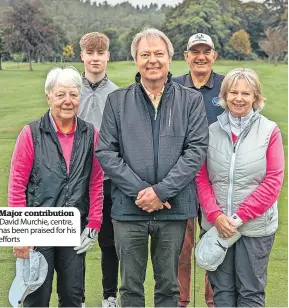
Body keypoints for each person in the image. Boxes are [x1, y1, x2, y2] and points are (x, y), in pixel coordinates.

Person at [96, 28, 209, 307]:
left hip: (174, 210)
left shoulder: (191, 100)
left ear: (170, 59)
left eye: (159, 54)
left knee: (169, 288)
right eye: (145, 54)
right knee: (130, 288)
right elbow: (106, 152)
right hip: (128, 210)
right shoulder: (117, 101)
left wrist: (162, 192)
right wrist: (143, 192)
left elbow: (195, 152)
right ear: (136, 59)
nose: (152, 60)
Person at [8, 67, 104, 307]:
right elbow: (17, 185)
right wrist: (19, 235)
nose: (67, 101)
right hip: (38, 228)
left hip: (74, 228)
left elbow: (95, 182)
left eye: (73, 95)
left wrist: (94, 222)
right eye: (61, 95)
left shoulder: (90, 133)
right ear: (48, 96)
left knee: (72, 296)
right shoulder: (31, 133)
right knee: (36, 296)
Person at [196, 68, 284, 307]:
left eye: (246, 93)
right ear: (224, 95)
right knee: (222, 292)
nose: (239, 98)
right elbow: (201, 178)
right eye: (233, 92)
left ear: (256, 97)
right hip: (217, 226)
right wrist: (216, 216)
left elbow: (273, 180)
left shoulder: (269, 131)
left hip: (254, 228)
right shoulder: (211, 131)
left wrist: (237, 218)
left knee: (250, 293)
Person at [173, 32, 224, 307]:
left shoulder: (226, 87)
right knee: (182, 246)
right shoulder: (175, 86)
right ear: (186, 56)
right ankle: (181, 301)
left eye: (206, 51)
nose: (201, 56)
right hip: (182, 178)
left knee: (213, 242)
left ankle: (212, 300)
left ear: (214, 55)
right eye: (196, 51)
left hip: (215, 177)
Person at [77, 32, 119, 308]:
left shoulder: (116, 93)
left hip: (105, 179)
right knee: (73, 242)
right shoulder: (70, 88)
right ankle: (74, 296)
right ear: (82, 56)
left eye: (99, 53)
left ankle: (110, 296)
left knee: (108, 242)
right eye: (90, 53)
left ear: (107, 56)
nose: (94, 58)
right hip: (74, 178)